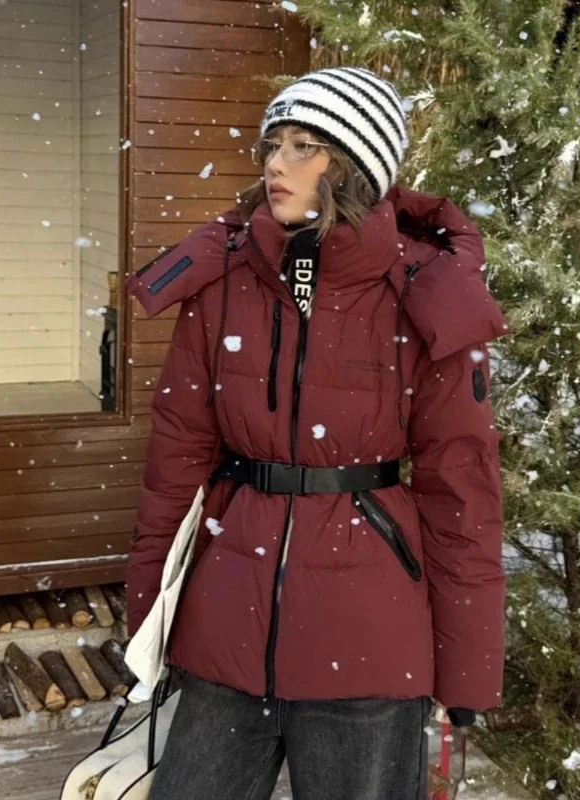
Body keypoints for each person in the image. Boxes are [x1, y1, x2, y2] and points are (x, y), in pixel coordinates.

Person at [124, 66, 510, 800]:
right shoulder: (223, 278)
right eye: (272, 144)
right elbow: (175, 462)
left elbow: (462, 495)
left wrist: (467, 667)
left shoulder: (427, 294)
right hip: (225, 627)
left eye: (303, 145)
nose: (274, 163)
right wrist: (150, 617)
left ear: (355, 165)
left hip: (368, 643)